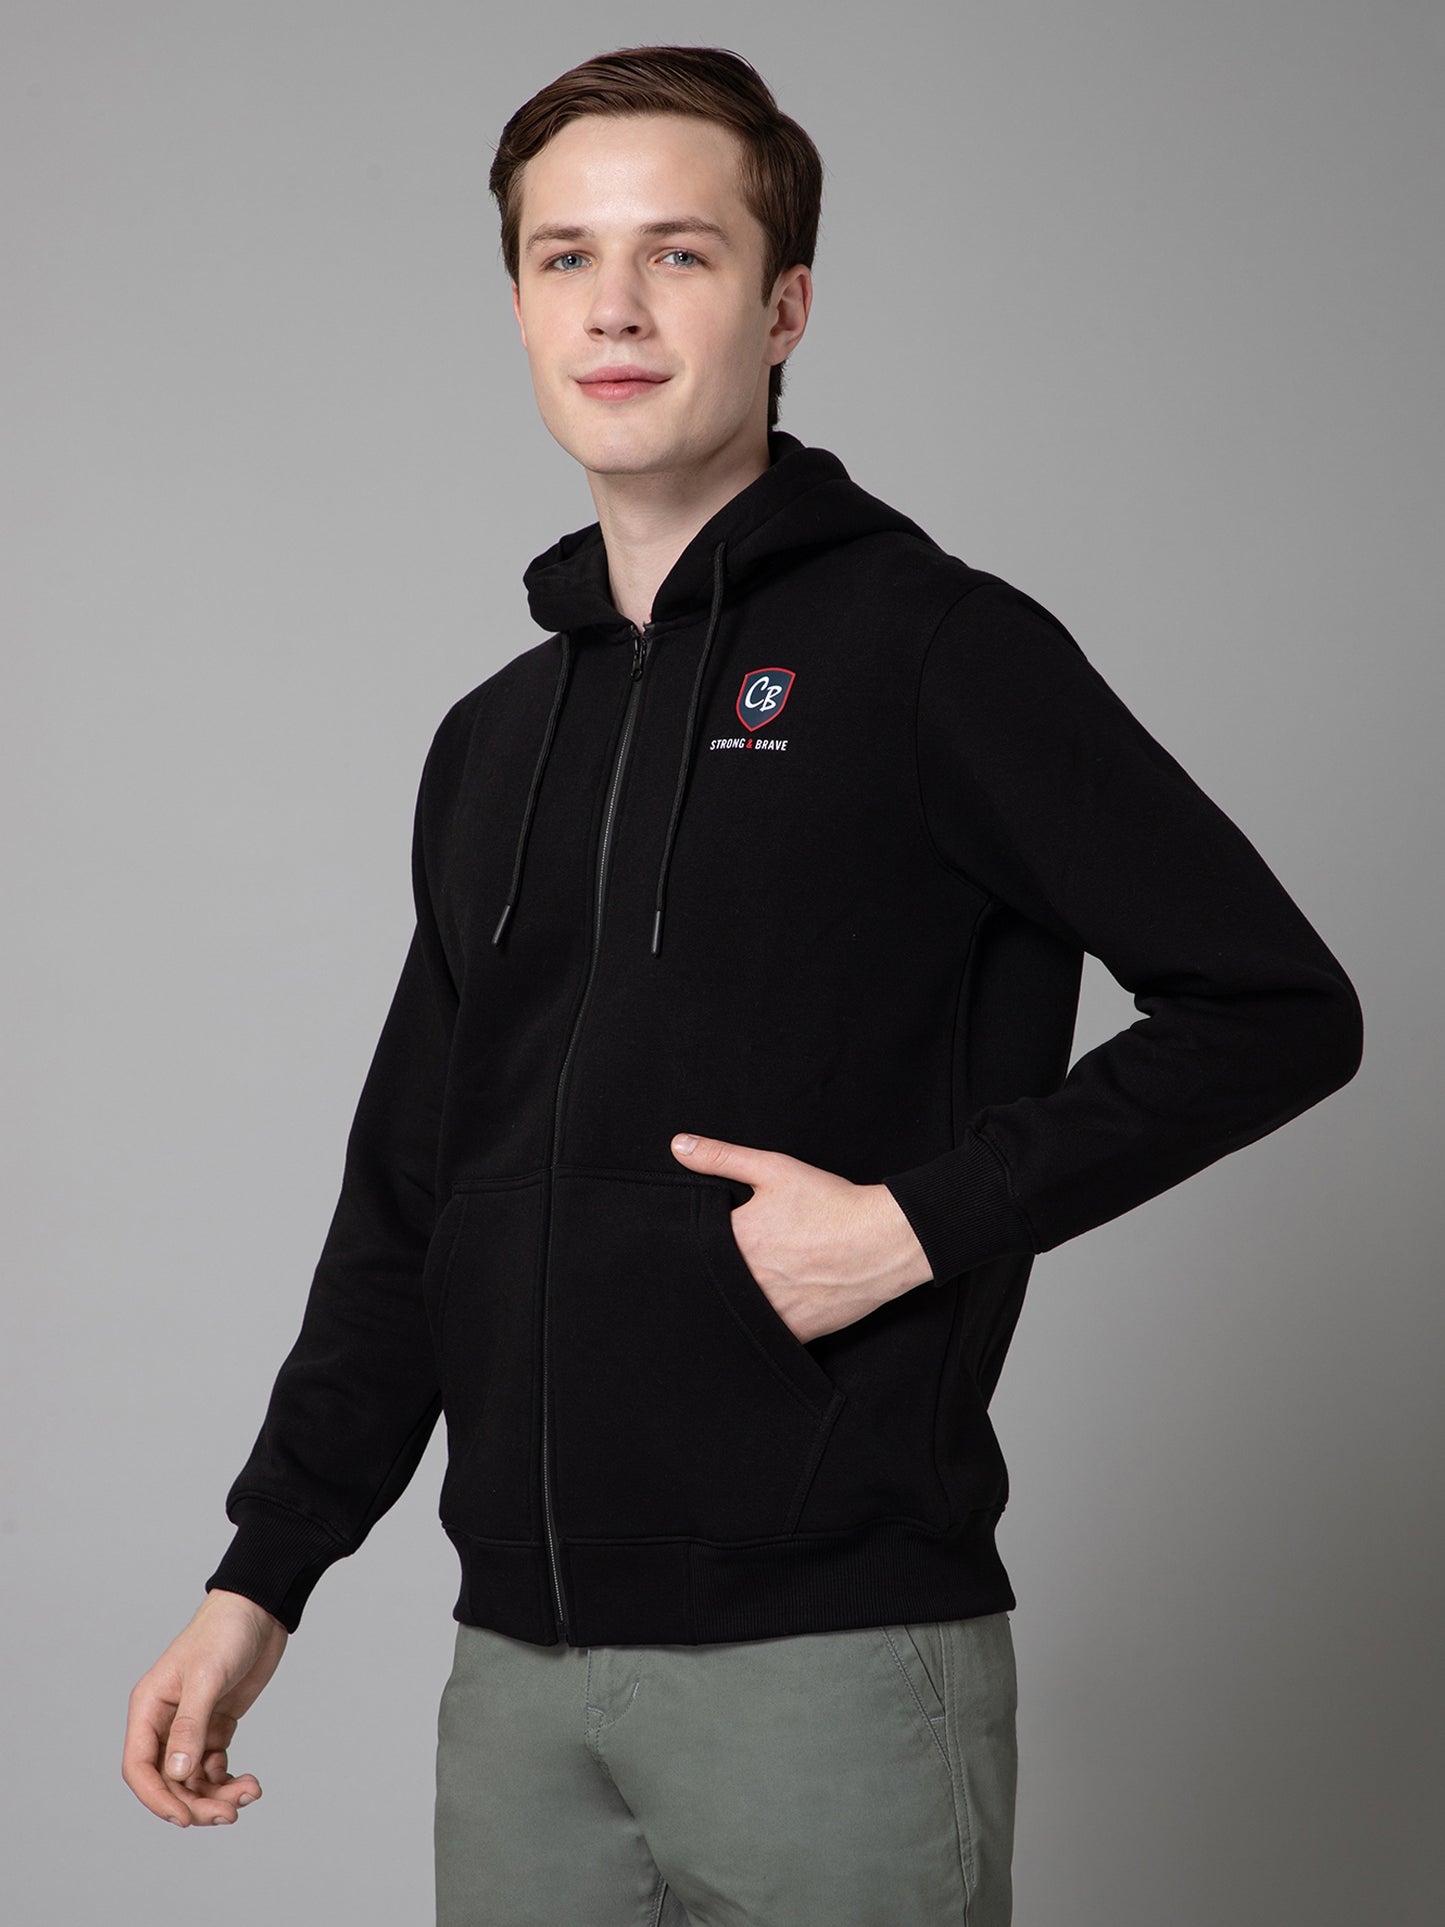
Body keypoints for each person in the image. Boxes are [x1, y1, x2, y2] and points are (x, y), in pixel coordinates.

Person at [122, 43, 1365, 1927]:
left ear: (782, 309)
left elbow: (1274, 1007)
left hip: (829, 1660)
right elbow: (411, 1191)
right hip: (517, 1683)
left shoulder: (936, 650)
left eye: (679, 254)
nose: (613, 306)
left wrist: (914, 1228)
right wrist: (261, 1573)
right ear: (518, 305)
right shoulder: (493, 739)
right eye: (563, 257)